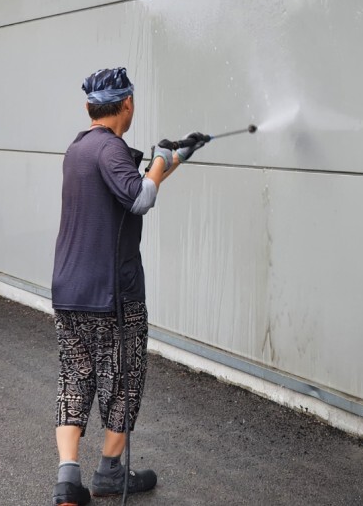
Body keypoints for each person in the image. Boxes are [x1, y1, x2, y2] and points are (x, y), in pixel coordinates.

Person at [50, 67, 206, 506]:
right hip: (112, 295)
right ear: (129, 104)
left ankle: (67, 480)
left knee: (75, 378)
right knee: (122, 381)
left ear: (89, 107)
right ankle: (109, 472)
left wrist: (174, 159)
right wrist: (158, 158)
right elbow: (139, 197)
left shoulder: (78, 148)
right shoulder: (111, 149)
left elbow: (130, 188)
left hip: (69, 290)